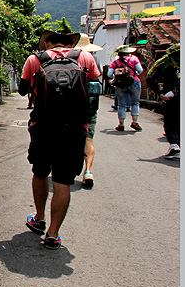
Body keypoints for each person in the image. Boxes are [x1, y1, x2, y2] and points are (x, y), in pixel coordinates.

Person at [18, 30, 101, 249]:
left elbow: (21, 89)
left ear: (47, 43)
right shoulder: (85, 58)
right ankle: (53, 234)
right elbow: (94, 83)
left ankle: (39, 217)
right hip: (74, 128)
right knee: (63, 180)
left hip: (43, 126)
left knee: (40, 171)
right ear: (70, 44)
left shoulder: (35, 59)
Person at [75, 34, 103, 188]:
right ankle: (88, 171)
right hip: (90, 102)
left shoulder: (68, 56)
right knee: (88, 137)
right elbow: (96, 76)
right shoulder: (93, 58)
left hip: (72, 101)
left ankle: (68, 166)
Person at [146, 44, 180, 159]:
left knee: (171, 121)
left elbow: (150, 78)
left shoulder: (164, 66)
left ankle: (175, 146)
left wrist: (159, 93)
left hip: (170, 98)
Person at [107, 46, 144, 131]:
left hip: (120, 84)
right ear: (128, 52)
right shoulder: (134, 59)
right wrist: (135, 74)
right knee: (135, 103)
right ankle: (135, 121)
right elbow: (140, 70)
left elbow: (109, 74)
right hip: (134, 82)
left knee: (121, 105)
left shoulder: (115, 62)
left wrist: (116, 76)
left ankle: (121, 124)